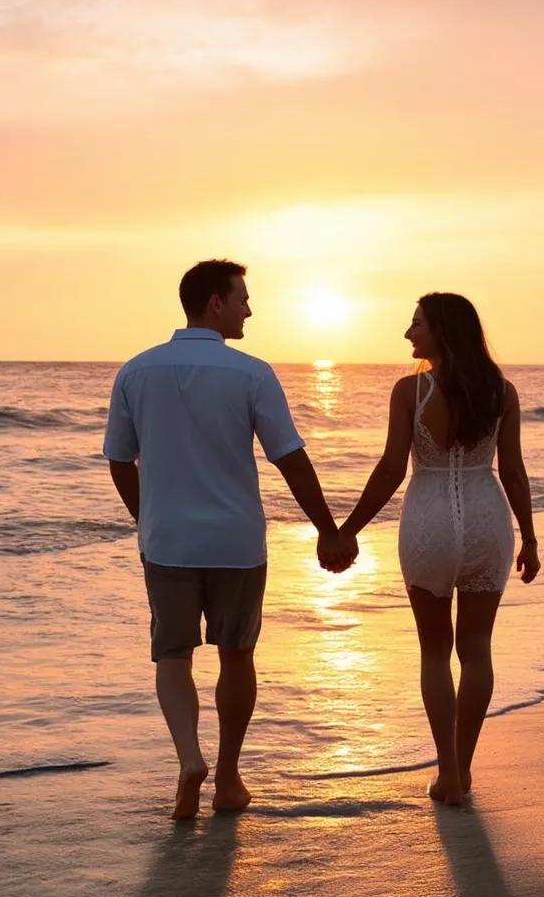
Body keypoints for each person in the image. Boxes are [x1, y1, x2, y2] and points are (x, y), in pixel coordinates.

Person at [104, 259, 357, 820]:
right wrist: (328, 529)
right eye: (243, 297)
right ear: (215, 303)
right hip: (236, 542)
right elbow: (288, 454)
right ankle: (229, 779)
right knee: (236, 654)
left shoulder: (136, 371)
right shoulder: (251, 373)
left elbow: (121, 461)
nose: (250, 308)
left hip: (167, 541)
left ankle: (189, 759)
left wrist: (147, 520)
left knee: (172, 656)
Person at [341, 293, 539, 805]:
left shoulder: (411, 391)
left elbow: (390, 469)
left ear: (442, 332)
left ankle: (447, 771)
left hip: (428, 521)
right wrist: (531, 537)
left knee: (435, 651)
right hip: (487, 522)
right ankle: (464, 771)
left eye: (417, 324)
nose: (409, 334)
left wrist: (349, 529)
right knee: (476, 651)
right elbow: (513, 472)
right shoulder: (502, 392)